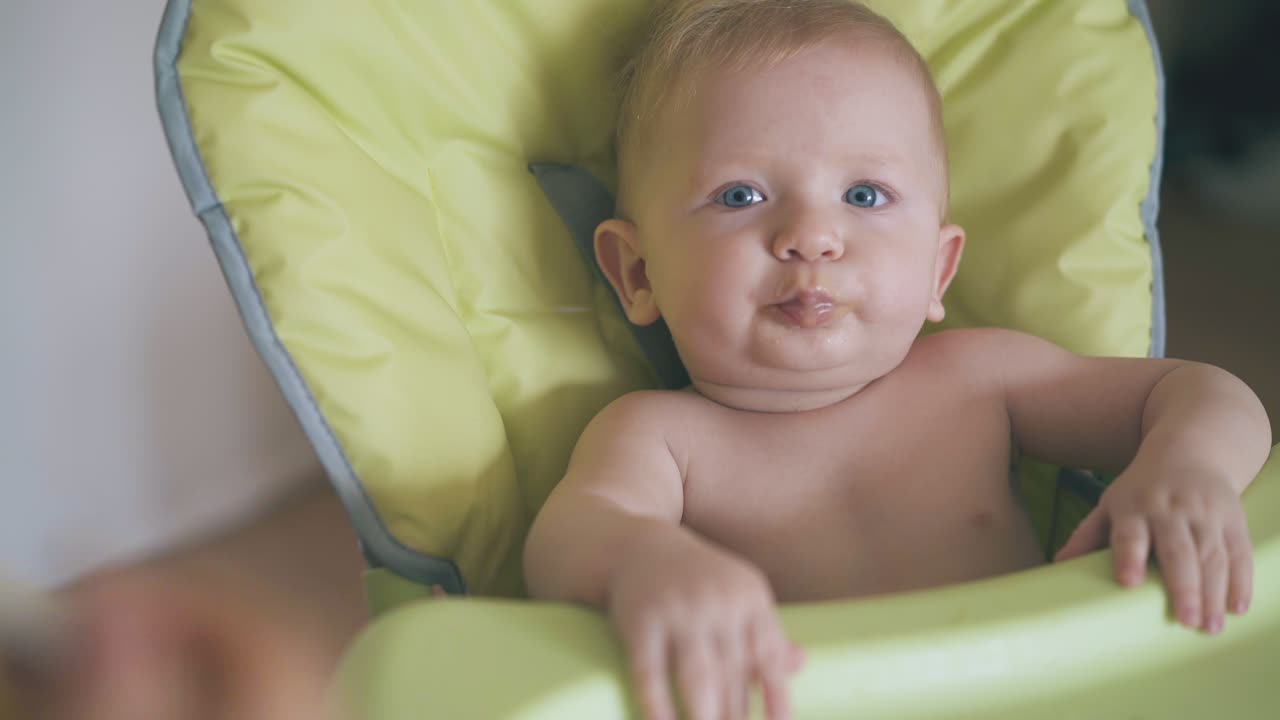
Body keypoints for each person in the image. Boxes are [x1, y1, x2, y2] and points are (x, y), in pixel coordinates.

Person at [521, 2, 1274, 720]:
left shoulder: (979, 381)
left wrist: (1188, 468)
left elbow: (1200, 392)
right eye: (741, 194)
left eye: (864, 194)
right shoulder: (662, 437)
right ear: (639, 274)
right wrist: (645, 563)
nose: (813, 235)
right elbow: (569, 535)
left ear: (938, 271)